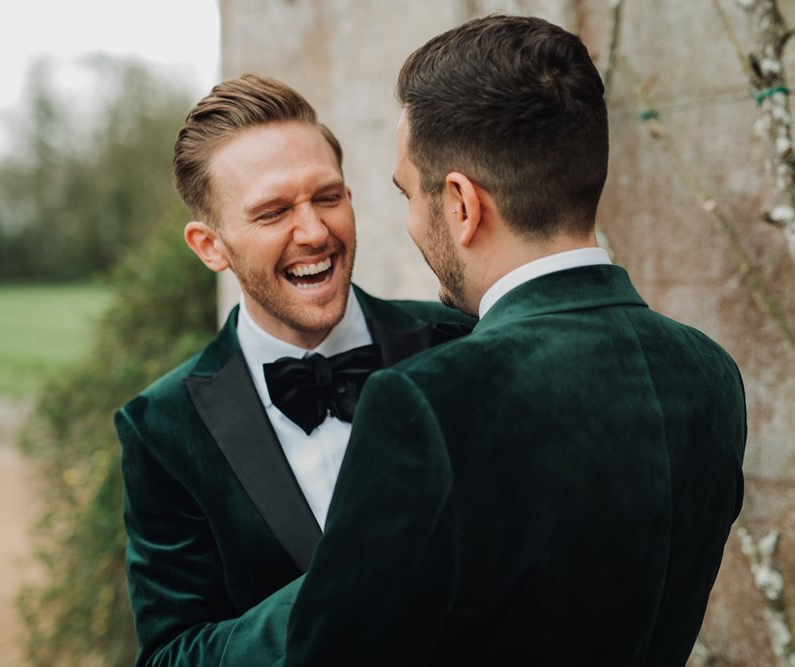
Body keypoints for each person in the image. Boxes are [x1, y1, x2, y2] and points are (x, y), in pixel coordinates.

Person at [285, 15, 747, 666]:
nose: (412, 222)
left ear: (462, 205)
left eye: (408, 194)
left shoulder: (427, 400)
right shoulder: (711, 372)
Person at [114, 73, 472, 665]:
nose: (314, 232)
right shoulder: (161, 427)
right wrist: (346, 585)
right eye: (273, 211)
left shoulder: (460, 340)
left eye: (328, 197)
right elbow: (172, 654)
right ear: (211, 246)